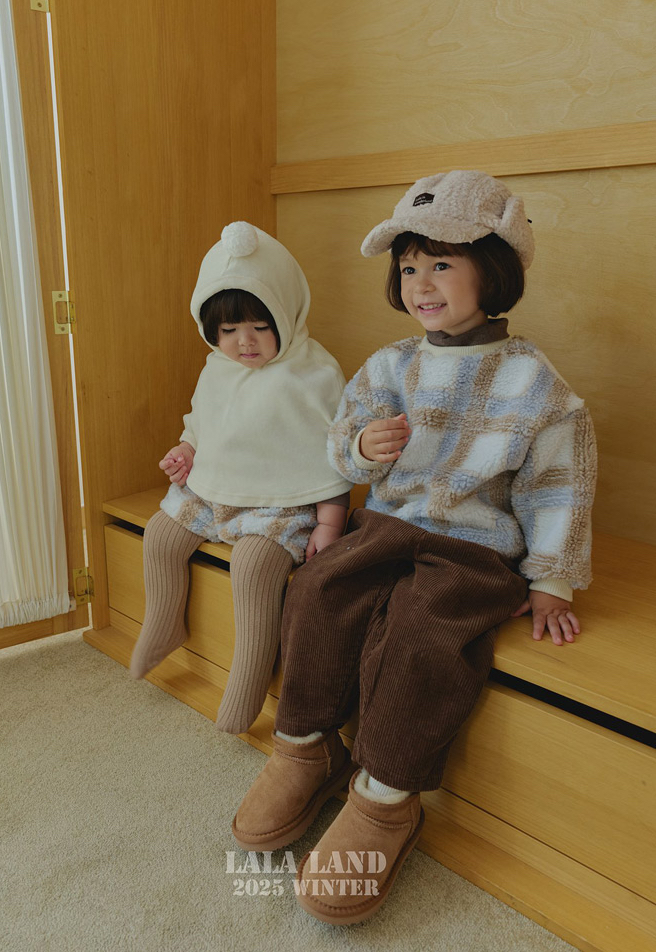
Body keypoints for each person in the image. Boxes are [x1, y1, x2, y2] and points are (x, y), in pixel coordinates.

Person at [232, 171, 597, 923]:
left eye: (441, 264)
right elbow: (342, 442)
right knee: (320, 587)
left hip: (474, 548)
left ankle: (385, 796)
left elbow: (558, 486)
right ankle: (306, 745)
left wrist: (551, 580)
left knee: (421, 631)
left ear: (492, 271)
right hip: (388, 526)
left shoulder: (535, 385)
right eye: (407, 268)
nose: (421, 284)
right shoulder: (391, 365)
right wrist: (363, 447)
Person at [130, 221, 351, 734]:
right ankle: (164, 622)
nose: (242, 342)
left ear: (287, 315)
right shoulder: (218, 368)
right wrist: (186, 451)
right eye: (227, 331)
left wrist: (330, 525)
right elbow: (203, 424)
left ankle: (249, 675)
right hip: (215, 492)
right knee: (161, 533)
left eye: (259, 326)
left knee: (252, 566)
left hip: (283, 505)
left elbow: (334, 456)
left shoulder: (315, 374)